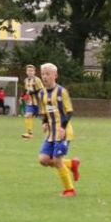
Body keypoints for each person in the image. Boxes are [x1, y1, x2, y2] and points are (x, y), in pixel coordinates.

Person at [37, 62, 80, 197]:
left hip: (63, 132)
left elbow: (69, 111)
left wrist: (62, 127)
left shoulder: (62, 92)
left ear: (55, 75)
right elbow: (44, 112)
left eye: (47, 74)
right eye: (43, 74)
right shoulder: (42, 93)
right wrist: (44, 122)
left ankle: (69, 189)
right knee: (43, 160)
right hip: (51, 133)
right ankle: (71, 164)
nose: (45, 77)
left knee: (57, 160)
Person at [22, 64, 43, 138]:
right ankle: (29, 133)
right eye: (28, 70)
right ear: (26, 72)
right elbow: (25, 90)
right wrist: (22, 97)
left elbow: (41, 89)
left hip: (39, 102)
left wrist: (32, 92)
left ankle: (52, 131)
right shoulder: (25, 80)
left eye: (31, 71)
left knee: (43, 117)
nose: (30, 72)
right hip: (30, 102)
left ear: (34, 72)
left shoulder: (37, 80)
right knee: (28, 115)